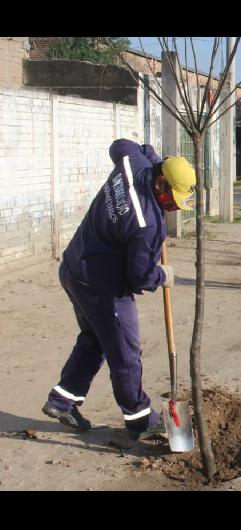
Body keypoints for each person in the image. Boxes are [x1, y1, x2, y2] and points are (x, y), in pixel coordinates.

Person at [42, 139, 196, 440]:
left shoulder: (133, 165)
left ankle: (62, 400)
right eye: (171, 199)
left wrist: (150, 156)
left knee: (95, 339)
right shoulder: (148, 224)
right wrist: (160, 275)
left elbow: (121, 145)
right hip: (102, 287)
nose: (173, 206)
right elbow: (139, 276)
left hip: (73, 268)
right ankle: (139, 419)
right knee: (125, 351)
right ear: (161, 182)